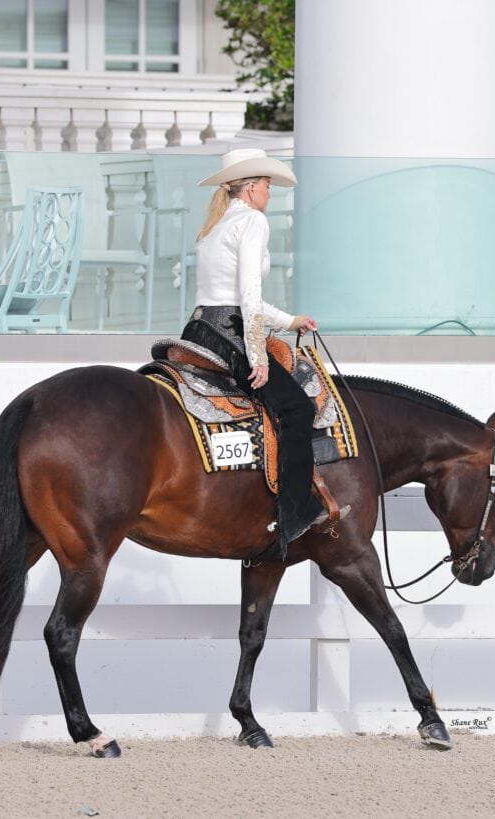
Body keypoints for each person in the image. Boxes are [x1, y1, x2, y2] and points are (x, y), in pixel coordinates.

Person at [180, 148, 348, 559]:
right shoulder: (253, 221)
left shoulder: (217, 224)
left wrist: (291, 321)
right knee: (297, 410)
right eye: (268, 186)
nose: (270, 194)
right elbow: (248, 298)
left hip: (201, 328)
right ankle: (293, 514)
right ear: (251, 187)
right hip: (232, 333)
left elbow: (231, 298)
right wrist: (257, 355)